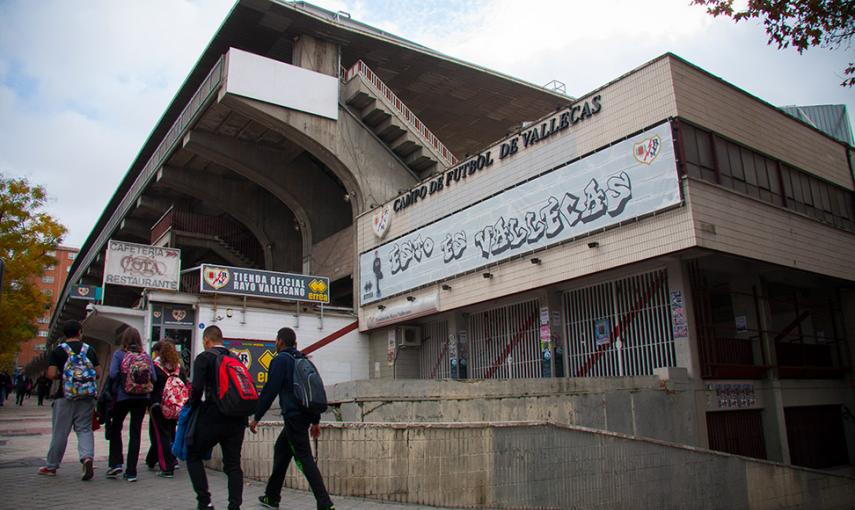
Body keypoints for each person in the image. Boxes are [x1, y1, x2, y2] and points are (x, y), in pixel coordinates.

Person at [250, 327, 335, 510]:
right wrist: (315, 420)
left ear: (280, 342)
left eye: (276, 341)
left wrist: (256, 417)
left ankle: (325, 503)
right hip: (304, 415)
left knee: (304, 458)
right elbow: (313, 391)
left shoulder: (280, 360)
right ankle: (271, 497)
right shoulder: (302, 359)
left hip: (293, 416)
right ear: (295, 343)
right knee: (281, 449)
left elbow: (270, 390)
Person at [187, 325, 247, 510]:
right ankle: (234, 506)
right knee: (233, 465)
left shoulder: (204, 358)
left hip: (213, 415)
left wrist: (191, 407)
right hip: (238, 418)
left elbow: (197, 390)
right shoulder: (235, 358)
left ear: (207, 340)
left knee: (193, 454)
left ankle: (205, 502)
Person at [38, 320, 101, 480]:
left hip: (64, 396)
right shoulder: (89, 350)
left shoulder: (58, 351)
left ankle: (52, 466)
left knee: (60, 432)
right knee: (84, 429)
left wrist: (65, 376)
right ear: (80, 332)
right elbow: (98, 372)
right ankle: (87, 458)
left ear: (65, 334)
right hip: (86, 397)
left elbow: (51, 374)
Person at [107, 327, 155, 482]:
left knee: (116, 428)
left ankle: (116, 463)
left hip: (123, 396)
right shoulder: (145, 356)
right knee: (135, 432)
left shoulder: (119, 354)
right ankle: (131, 471)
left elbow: (113, 374)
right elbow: (153, 377)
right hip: (142, 398)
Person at [145, 340, 186, 478]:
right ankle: (171, 460)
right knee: (170, 433)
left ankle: (166, 466)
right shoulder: (178, 368)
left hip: (159, 404)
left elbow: (150, 385)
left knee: (161, 435)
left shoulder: (155, 367)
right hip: (174, 406)